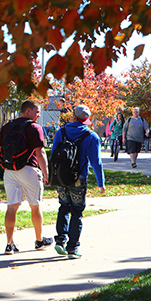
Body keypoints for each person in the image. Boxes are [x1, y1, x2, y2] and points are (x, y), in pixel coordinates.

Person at [0, 100, 53, 254]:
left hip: (10, 171)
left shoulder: (8, 126)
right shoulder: (34, 127)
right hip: (29, 170)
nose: (39, 115)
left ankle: (9, 244)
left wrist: (6, 162)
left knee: (12, 206)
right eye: (37, 111)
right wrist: (46, 174)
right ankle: (39, 241)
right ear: (28, 111)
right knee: (35, 206)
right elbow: (40, 153)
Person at [52, 105, 105, 259]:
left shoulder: (60, 132)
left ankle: (60, 240)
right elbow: (97, 162)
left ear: (73, 116)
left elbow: (53, 156)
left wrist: (51, 176)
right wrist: (100, 183)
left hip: (61, 178)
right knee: (76, 212)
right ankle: (72, 248)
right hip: (78, 179)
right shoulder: (91, 136)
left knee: (63, 207)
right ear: (86, 119)